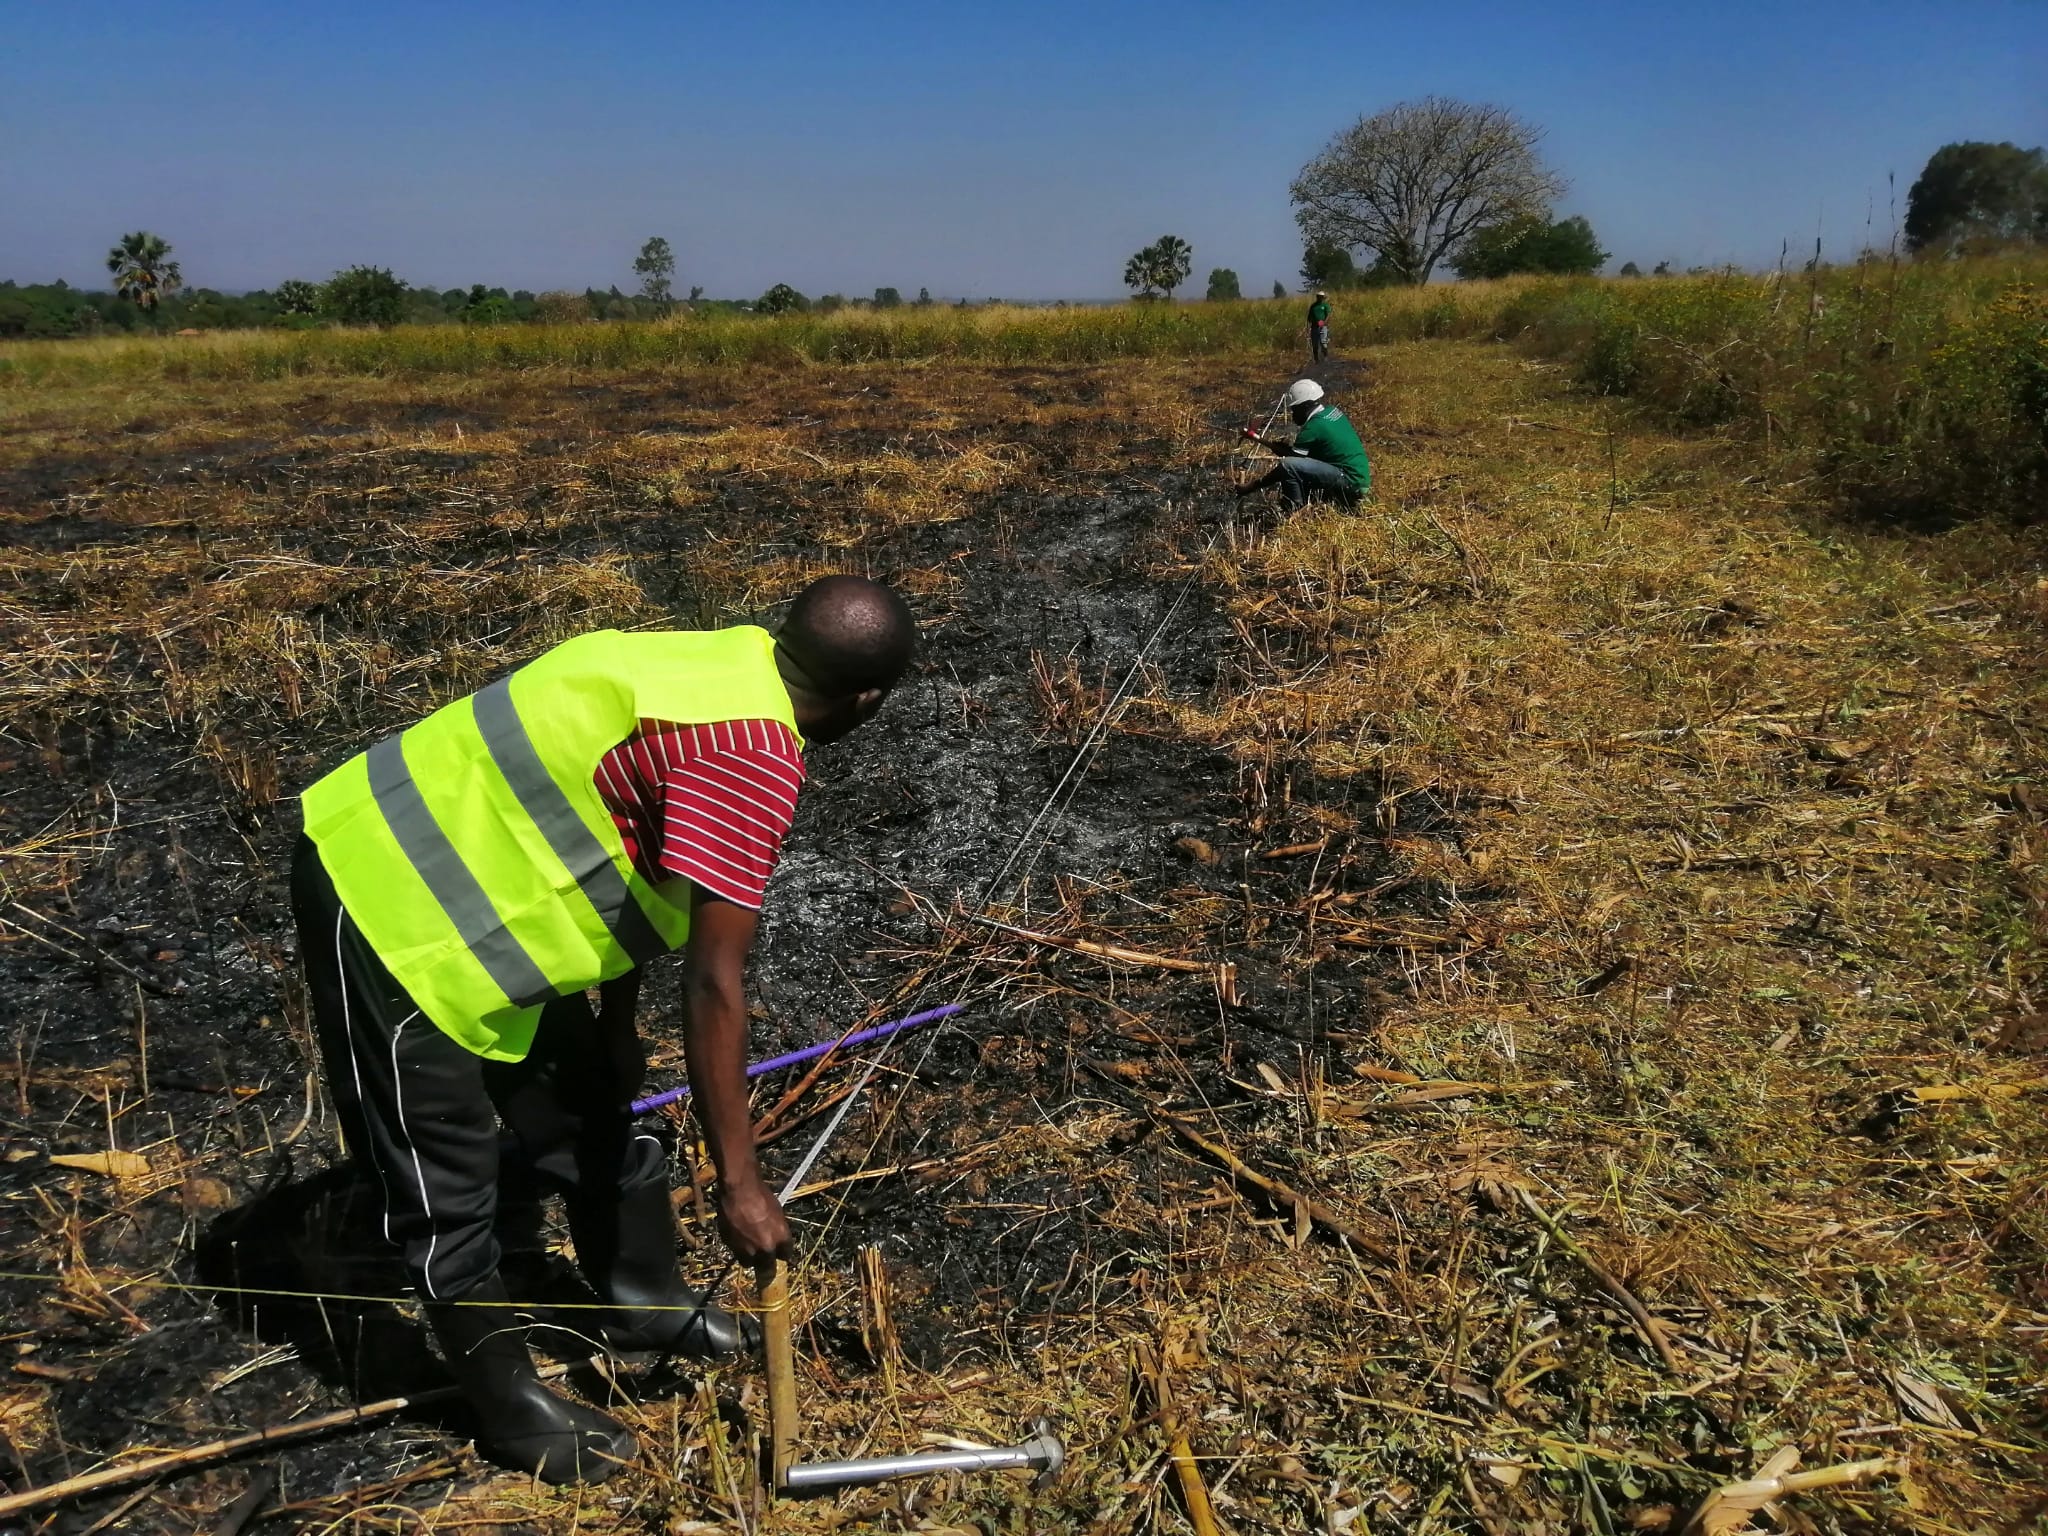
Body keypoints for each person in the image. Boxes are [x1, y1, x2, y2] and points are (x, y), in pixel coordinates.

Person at [291, 575, 917, 1485]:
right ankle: (512, 1413)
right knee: (443, 1175)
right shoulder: (751, 758)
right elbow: (714, 981)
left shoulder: (721, 660)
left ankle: (645, 1302)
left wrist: (617, 1024)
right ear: (867, 700)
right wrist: (740, 1184)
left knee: (587, 1101)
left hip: (484, 885)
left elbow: (622, 834)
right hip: (387, 899)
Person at [1236, 378, 1371, 511]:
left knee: (1289, 466)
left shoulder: (1312, 428)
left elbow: (1290, 465)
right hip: (1359, 478)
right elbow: (1304, 458)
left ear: (1305, 406)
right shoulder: (1331, 411)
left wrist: (1253, 486)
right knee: (1296, 467)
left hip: (1350, 482)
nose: (1293, 415)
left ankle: (1294, 509)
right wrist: (1283, 450)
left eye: (1295, 410)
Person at [1307, 290, 1331, 361]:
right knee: (1315, 344)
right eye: (1318, 296)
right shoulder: (1313, 306)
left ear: (1323, 297)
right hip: (1314, 326)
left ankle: (1325, 356)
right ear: (1317, 297)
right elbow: (1309, 317)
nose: (1319, 298)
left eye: (1321, 296)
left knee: (1323, 342)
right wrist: (1308, 326)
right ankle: (1316, 358)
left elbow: (1328, 315)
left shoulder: (1325, 305)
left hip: (1323, 326)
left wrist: (1324, 322)